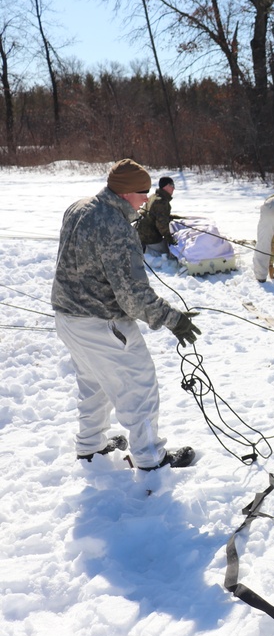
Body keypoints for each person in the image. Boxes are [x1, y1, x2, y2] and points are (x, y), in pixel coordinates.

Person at [51, 159, 199, 471]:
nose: (147, 198)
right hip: (102, 323)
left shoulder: (78, 207)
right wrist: (173, 319)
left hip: (67, 317)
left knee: (94, 383)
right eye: (143, 192)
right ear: (125, 192)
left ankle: (90, 447)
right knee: (139, 386)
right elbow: (132, 296)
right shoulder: (117, 228)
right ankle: (150, 458)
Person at [136, 176, 177, 256]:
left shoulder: (153, 197)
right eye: (172, 185)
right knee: (172, 250)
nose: (173, 188)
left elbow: (156, 215)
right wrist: (170, 240)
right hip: (150, 239)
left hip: (141, 234)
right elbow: (162, 224)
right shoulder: (161, 201)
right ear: (166, 186)